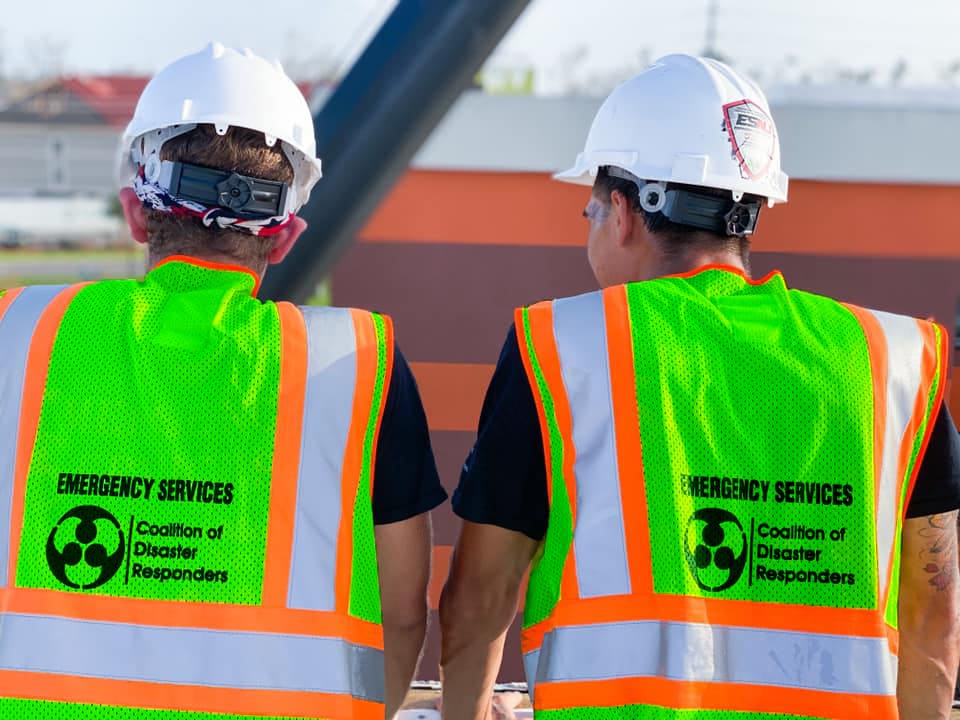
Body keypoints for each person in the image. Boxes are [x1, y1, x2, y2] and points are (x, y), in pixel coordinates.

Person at [440, 54, 960, 719]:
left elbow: (479, 597)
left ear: (623, 212)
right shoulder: (892, 359)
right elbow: (933, 616)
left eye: (590, 212)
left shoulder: (565, 347)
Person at [0, 43, 445, 720]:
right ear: (286, 236)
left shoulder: (19, 334)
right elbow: (403, 608)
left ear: (135, 211)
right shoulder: (359, 366)